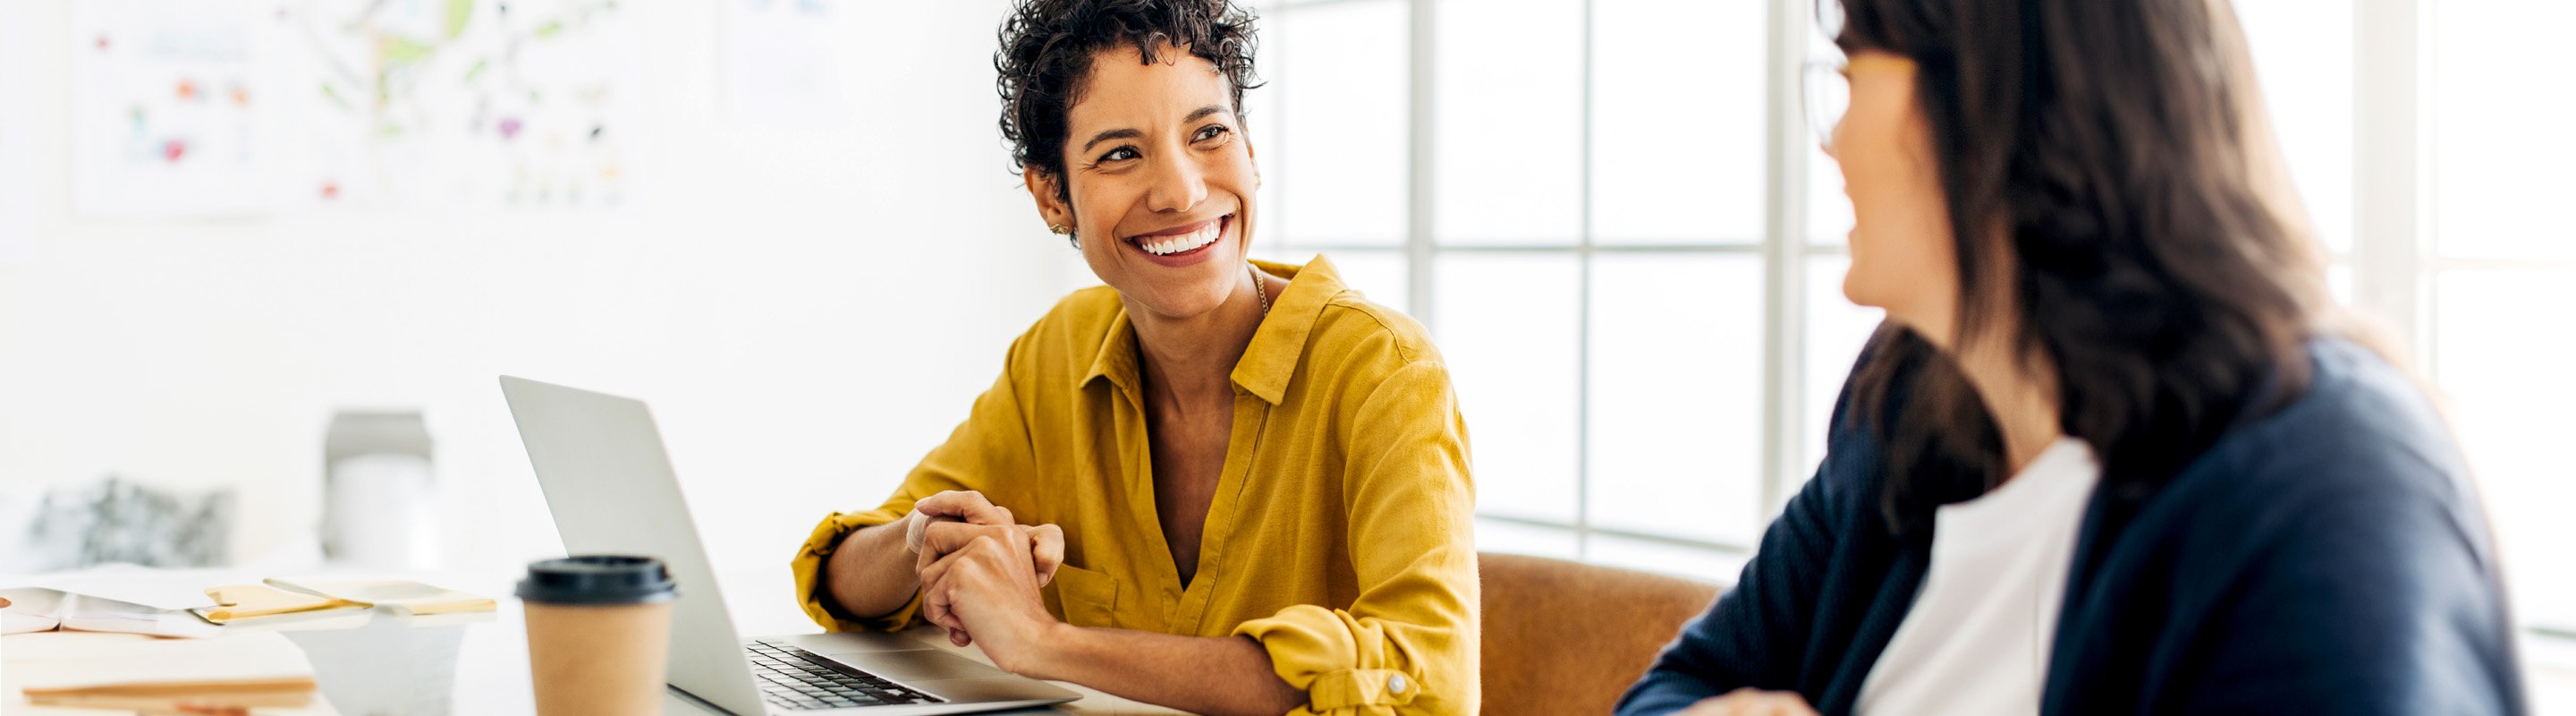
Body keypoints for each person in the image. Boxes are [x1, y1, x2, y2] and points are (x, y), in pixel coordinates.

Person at [1616, 0, 2527, 713]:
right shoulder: (1901, 407)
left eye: (1850, 78)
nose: (1832, 141)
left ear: (1984, 95)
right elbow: (1681, 682)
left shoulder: (2326, 487)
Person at [787, 2, 1477, 714]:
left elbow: (1428, 680)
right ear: (1052, 196)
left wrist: (1042, 640)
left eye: (1209, 133)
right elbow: (843, 580)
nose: (1181, 191)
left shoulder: (1385, 372)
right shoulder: (1060, 352)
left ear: (1251, 152)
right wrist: (928, 540)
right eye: (1120, 152)